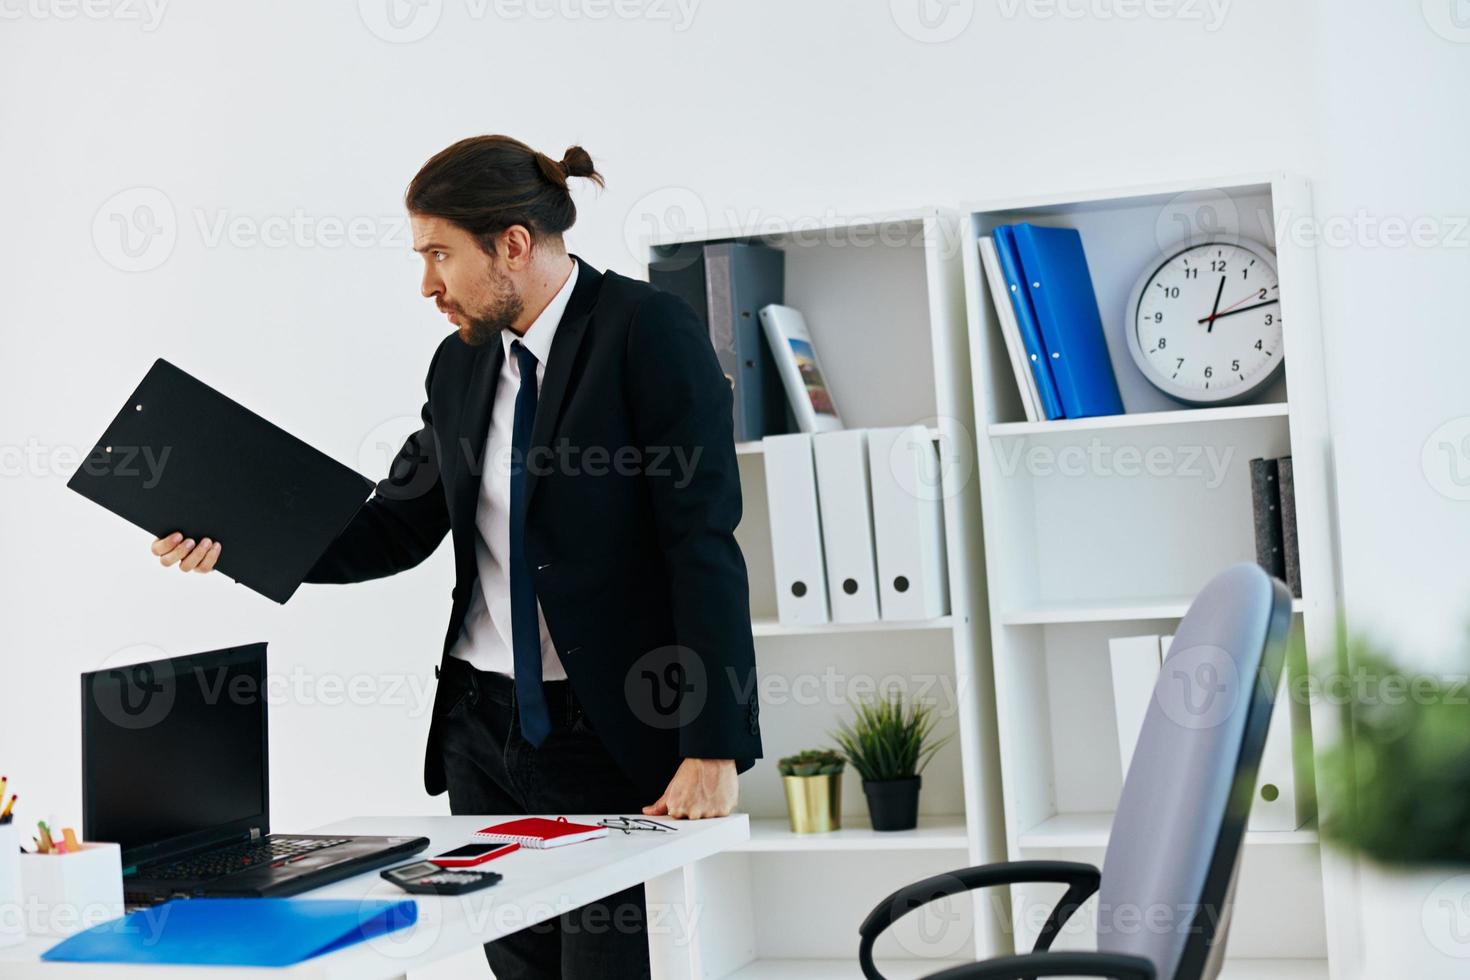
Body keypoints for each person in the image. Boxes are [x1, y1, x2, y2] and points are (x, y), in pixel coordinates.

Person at [148, 135, 763, 980]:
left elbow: (702, 544)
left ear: (512, 242)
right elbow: (396, 528)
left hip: (603, 733)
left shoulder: (646, 333)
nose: (427, 284)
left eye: (440, 253)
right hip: (483, 732)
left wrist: (714, 745)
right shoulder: (461, 363)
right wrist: (234, 540)